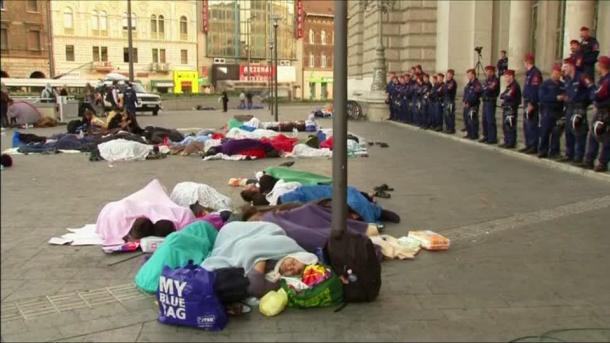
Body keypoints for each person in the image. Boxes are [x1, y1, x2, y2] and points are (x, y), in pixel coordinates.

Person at [560, 58, 590, 164]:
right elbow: (567, 92)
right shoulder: (567, 79)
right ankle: (569, 154)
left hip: (579, 107)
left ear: (572, 66)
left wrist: (586, 102)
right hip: (570, 107)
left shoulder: (581, 76)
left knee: (578, 131)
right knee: (569, 131)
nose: (564, 69)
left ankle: (578, 156)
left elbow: (591, 89)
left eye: (566, 66)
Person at [583, 55, 610, 172]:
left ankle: (602, 162)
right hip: (600, 110)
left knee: (604, 137)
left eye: (598, 64)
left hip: (605, 111)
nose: (597, 67)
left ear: (602, 66)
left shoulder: (607, 81)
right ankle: (589, 159)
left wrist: (591, 86)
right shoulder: (602, 79)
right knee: (593, 135)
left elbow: (597, 95)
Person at [537, 64, 565, 159]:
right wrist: (556, 98)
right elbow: (542, 97)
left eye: (559, 73)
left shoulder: (562, 85)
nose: (557, 75)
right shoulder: (545, 84)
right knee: (545, 132)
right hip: (547, 111)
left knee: (556, 133)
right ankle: (543, 150)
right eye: (555, 73)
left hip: (558, 112)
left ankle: (554, 151)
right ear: (552, 73)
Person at [520, 53, 543, 154]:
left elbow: (535, 89)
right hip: (527, 101)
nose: (524, 63)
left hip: (531, 103)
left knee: (532, 125)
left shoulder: (535, 73)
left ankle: (533, 145)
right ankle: (528, 144)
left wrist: (532, 103)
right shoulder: (529, 73)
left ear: (527, 61)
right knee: (526, 125)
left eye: (524, 61)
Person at [499, 69, 521, 149]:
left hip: (511, 108)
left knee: (510, 125)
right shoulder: (509, 86)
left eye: (507, 77)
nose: (505, 78)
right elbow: (502, 95)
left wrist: (505, 96)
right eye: (505, 77)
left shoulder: (514, 85)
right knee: (505, 126)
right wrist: (505, 96)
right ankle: (507, 141)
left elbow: (509, 96)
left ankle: (511, 142)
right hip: (507, 108)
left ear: (511, 76)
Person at [480, 65, 500, 144]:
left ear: (492, 72)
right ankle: (486, 136)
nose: (487, 73)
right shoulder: (487, 80)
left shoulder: (495, 80)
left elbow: (490, 89)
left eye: (489, 71)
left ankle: (492, 138)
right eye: (487, 71)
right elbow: (482, 89)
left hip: (491, 101)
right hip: (485, 101)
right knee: (484, 120)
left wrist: (485, 88)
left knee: (490, 120)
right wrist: (485, 88)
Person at [463, 69, 483, 140]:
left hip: (473, 105)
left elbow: (475, 95)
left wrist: (469, 102)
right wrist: (465, 101)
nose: (468, 76)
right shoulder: (469, 84)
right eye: (467, 74)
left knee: (472, 120)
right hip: (467, 104)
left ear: (473, 75)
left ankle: (474, 134)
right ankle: (469, 133)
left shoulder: (477, 84)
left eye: (469, 74)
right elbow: (465, 94)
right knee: (467, 120)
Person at [443, 69, 457, 134]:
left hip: (450, 101)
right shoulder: (447, 82)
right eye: (447, 74)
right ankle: (448, 127)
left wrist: (445, 88)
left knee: (450, 115)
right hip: (446, 100)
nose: (447, 75)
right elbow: (444, 90)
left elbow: (447, 90)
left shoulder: (452, 82)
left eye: (449, 74)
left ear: (452, 75)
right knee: (446, 115)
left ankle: (451, 128)